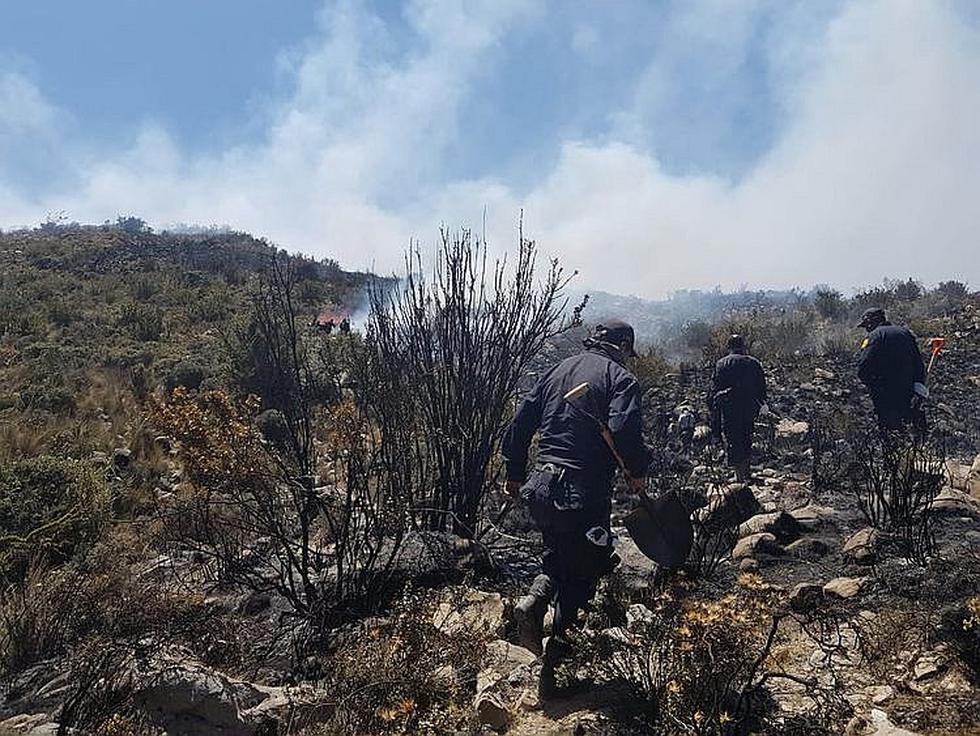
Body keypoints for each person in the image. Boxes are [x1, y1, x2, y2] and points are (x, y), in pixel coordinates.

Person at [502, 319, 648, 697]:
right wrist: (637, 470)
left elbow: (519, 423)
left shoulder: (556, 371)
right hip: (581, 493)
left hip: (542, 489)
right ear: (622, 346)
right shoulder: (620, 378)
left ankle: (534, 599)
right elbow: (624, 429)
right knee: (584, 574)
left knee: (561, 555)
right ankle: (557, 677)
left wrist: (515, 472)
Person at [856, 307, 926, 431]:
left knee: (890, 430)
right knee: (910, 425)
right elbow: (918, 362)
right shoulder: (905, 332)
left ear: (871, 322)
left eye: (867, 325)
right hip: (908, 390)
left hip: (885, 393)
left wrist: (872, 384)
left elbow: (864, 366)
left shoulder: (875, 336)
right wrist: (919, 384)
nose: (866, 329)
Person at [710, 335, 766, 482]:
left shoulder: (721, 364)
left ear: (729, 346)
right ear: (743, 346)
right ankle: (746, 474)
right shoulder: (753, 363)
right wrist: (761, 404)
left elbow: (715, 389)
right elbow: (761, 388)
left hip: (729, 409)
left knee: (733, 440)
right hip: (748, 408)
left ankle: (739, 477)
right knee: (746, 437)